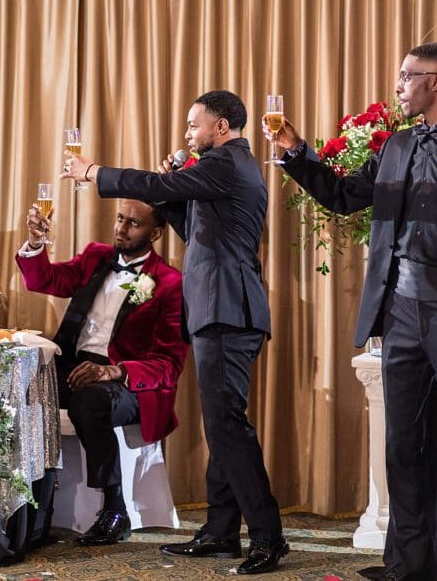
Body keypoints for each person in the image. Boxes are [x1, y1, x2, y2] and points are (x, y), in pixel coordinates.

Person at [266, 42, 437, 580]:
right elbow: (346, 194)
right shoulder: (398, 145)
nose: (397, 85)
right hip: (398, 312)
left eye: (406, 76)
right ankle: (407, 563)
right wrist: (296, 152)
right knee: (402, 443)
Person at [64, 90, 288, 575]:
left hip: (229, 312)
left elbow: (145, 183)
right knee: (223, 424)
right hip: (220, 311)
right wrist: (173, 185)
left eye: (194, 125)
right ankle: (221, 532)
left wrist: (93, 173)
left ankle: (268, 538)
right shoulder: (224, 169)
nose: (188, 133)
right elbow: (199, 232)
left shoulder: (228, 163)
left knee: (229, 426)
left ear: (221, 128)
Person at [15, 198, 187, 546]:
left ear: (155, 233)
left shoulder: (170, 283)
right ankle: (30, 510)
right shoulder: (96, 257)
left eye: (133, 223)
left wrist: (114, 372)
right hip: (72, 366)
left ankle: (115, 510)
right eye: (120, 219)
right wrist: (35, 244)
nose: (121, 229)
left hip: (128, 385)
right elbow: (46, 280)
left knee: (90, 403)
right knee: (20, 390)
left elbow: (169, 363)